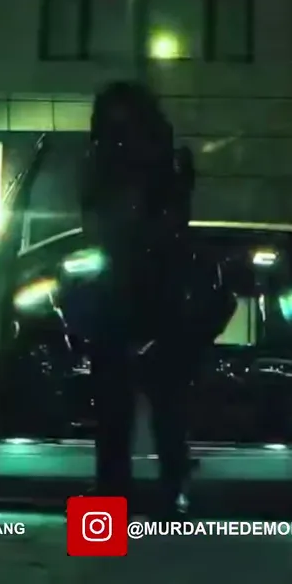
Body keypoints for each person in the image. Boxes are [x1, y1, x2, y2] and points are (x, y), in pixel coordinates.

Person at [64, 80, 227, 514]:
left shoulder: (122, 163)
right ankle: (159, 487)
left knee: (138, 405)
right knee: (153, 404)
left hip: (138, 294)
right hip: (144, 295)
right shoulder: (142, 161)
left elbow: (120, 224)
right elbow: (154, 224)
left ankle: (136, 489)